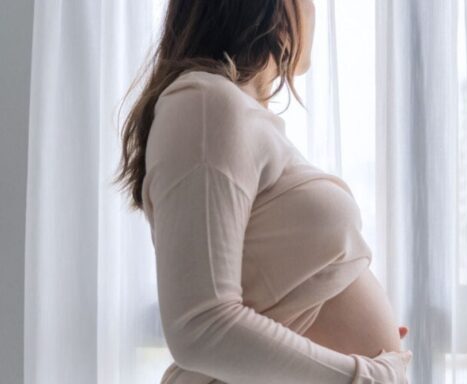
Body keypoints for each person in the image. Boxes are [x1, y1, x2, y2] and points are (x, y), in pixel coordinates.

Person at [112, 0, 413, 382]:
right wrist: (362, 376)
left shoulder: (230, 110)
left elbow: (273, 296)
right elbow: (200, 326)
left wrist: (342, 322)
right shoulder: (205, 103)